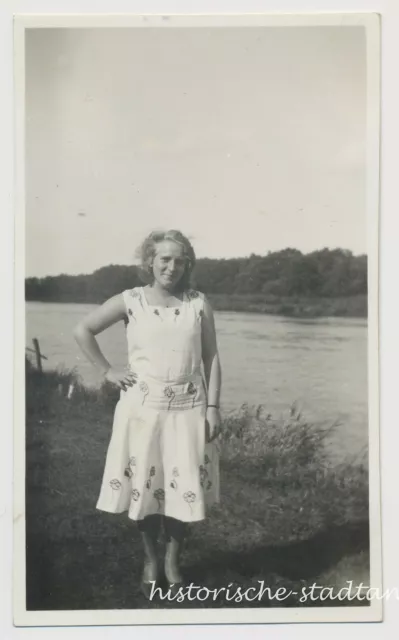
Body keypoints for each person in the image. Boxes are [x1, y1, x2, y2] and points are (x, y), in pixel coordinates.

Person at [73, 229, 222, 598]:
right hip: (142, 411)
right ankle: (151, 558)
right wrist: (108, 371)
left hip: (188, 410)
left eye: (179, 260)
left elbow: (212, 358)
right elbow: (83, 329)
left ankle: (173, 559)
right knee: (146, 485)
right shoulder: (131, 300)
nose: (171, 267)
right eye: (164, 259)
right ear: (150, 262)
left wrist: (214, 406)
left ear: (187, 264)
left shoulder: (198, 303)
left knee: (182, 487)